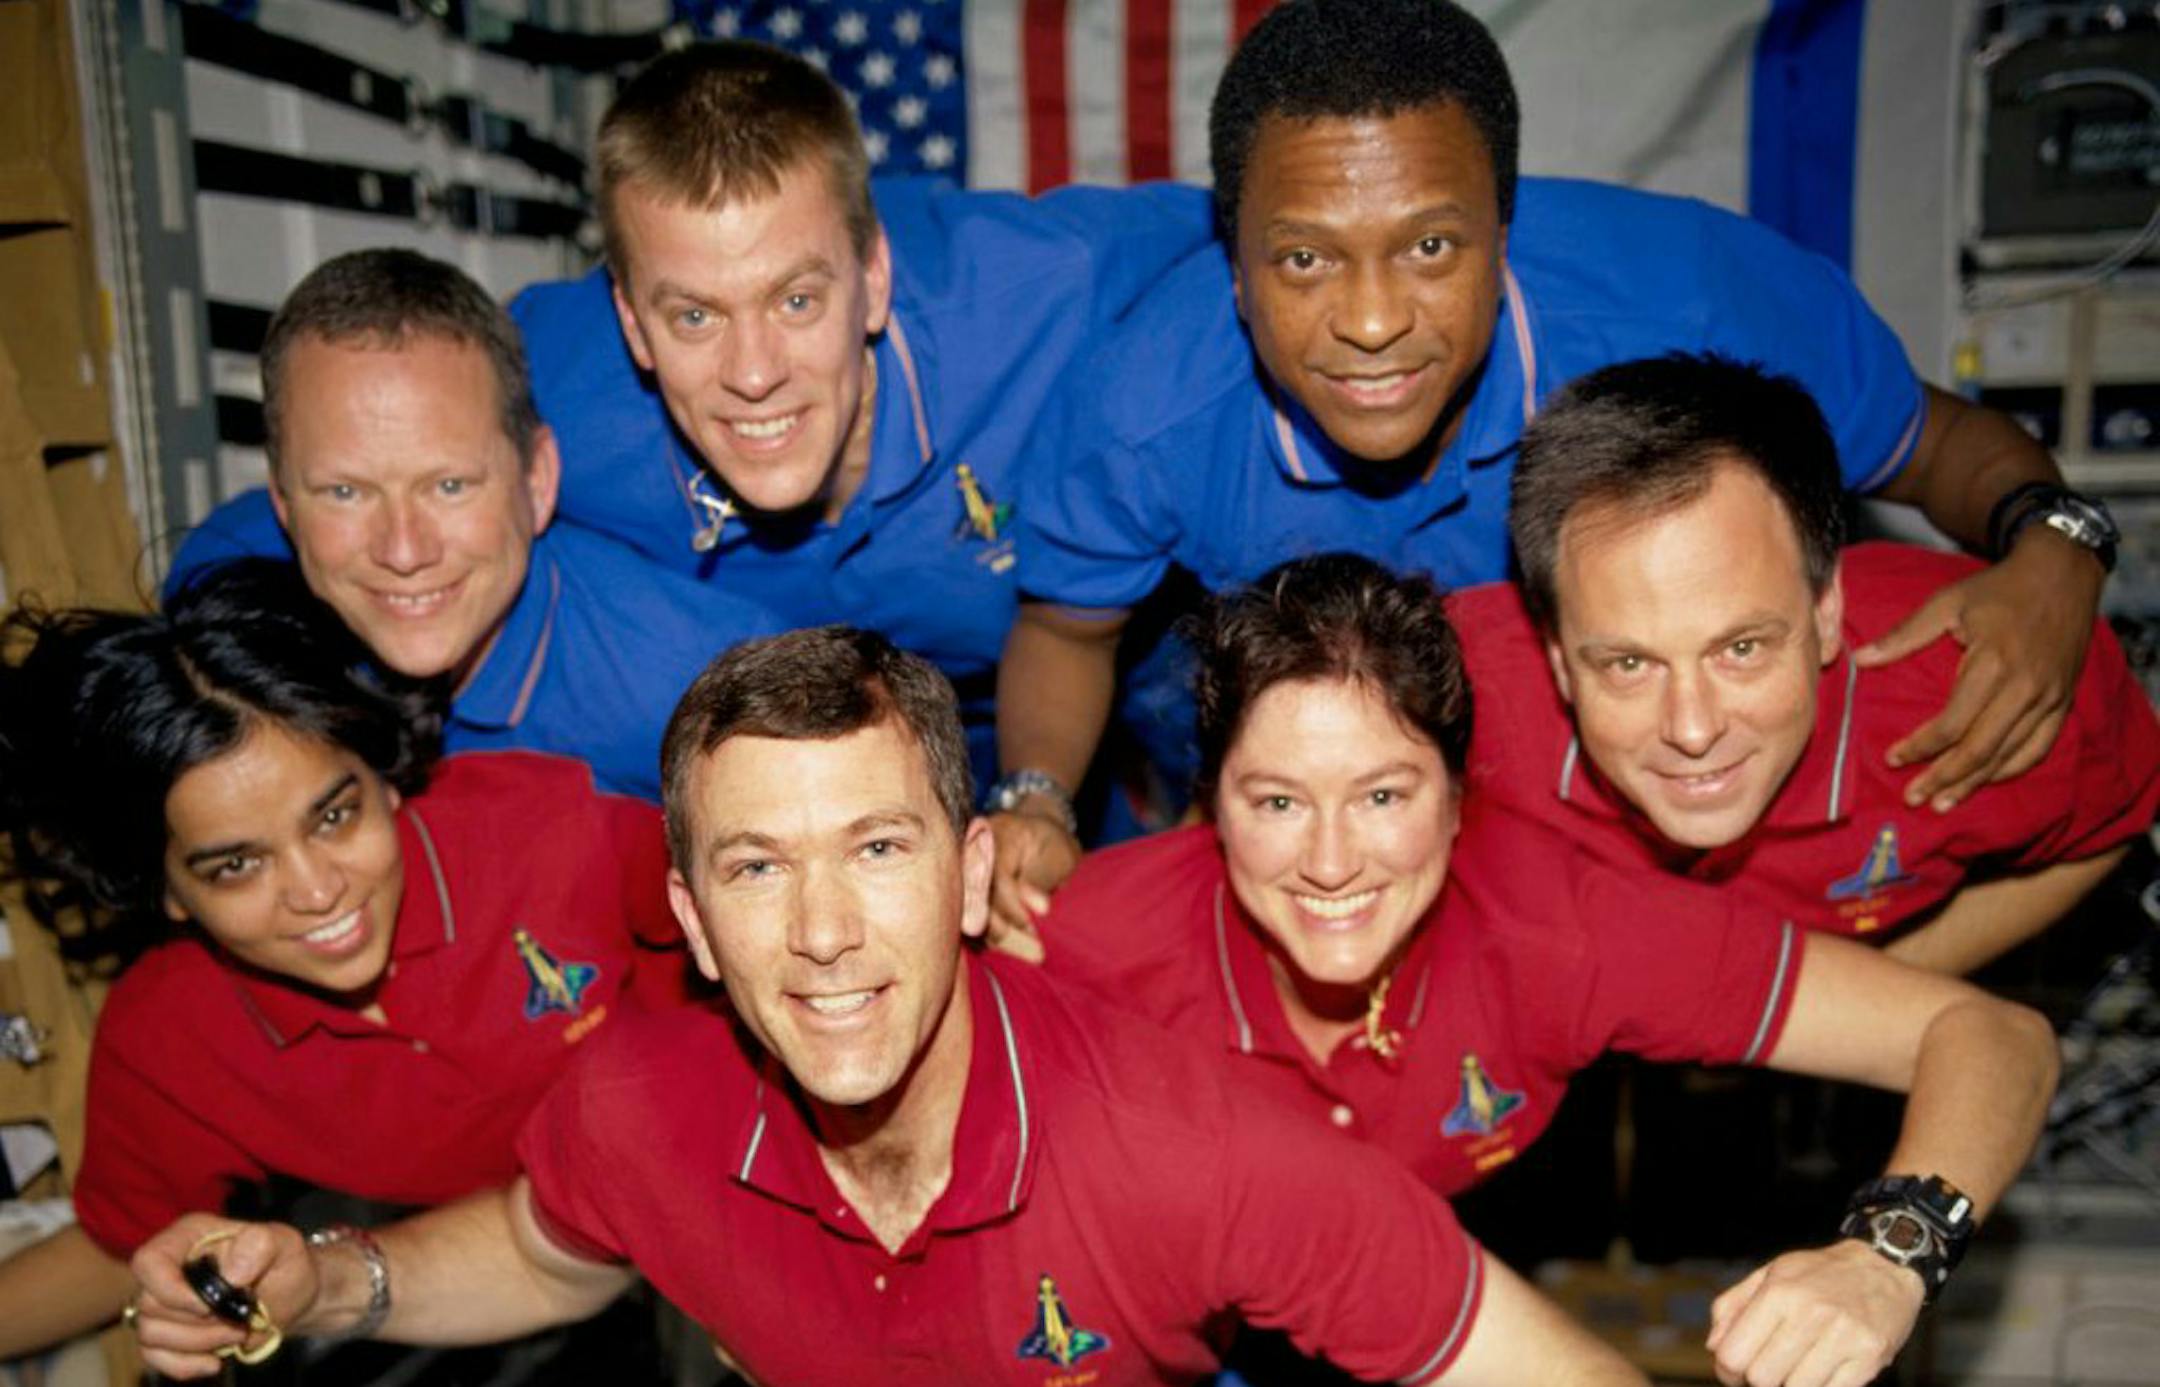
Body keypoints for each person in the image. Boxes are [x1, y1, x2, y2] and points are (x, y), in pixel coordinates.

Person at [126, 628, 1647, 1387]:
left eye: (878, 845)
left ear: (976, 875)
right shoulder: (634, 1101)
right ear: (695, 923)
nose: (828, 932)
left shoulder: (1208, 1152)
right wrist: (327, 1280)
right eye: (758, 866)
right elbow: (544, 1247)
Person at [992, 0, 2119, 933]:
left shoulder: (1699, 303)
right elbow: (1066, 629)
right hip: (1336, 773)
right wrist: (1037, 799)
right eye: (1304, 259)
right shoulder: (1144, 405)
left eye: (1432, 246)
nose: (1374, 319)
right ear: (1235, 269)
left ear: (1505, 227)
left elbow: (1939, 447)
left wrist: (2057, 543)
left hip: (1615, 787)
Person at [1033, 553, 2060, 1387]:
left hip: (1433, 1322)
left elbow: (1991, 1038)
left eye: (1385, 796)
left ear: (1457, 794)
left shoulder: (1554, 923)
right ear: (1212, 806)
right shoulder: (1081, 948)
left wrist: (1889, 1254)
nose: (1333, 862)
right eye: (1278, 803)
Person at [0, 561, 687, 1360]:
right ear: (170, 894)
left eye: (334, 813)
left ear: (385, 778)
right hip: (522, 1277)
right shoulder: (168, 1039)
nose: (318, 888)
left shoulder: (557, 830)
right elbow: (124, 1249)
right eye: (236, 866)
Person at [507, 40, 1215, 784]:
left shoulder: (1050, 284)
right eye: (694, 318)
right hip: (824, 743)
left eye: (797, 300)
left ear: (875, 278)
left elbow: (1277, 228)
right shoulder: (543, 385)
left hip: (1101, 658)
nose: (753, 374)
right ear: (629, 322)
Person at [1439, 352, 2160, 975]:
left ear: (1826, 615)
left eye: (1742, 648)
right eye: (1629, 663)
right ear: (1560, 660)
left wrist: (1847, 996)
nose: (1692, 729)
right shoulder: (1443, 689)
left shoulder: (1987, 684)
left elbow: (2118, 815)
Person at [167, 248, 783, 802]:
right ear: (283, 504)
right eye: (345, 492)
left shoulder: (704, 694)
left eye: (450, 486)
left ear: (537, 482)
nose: (404, 551)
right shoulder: (221, 590)